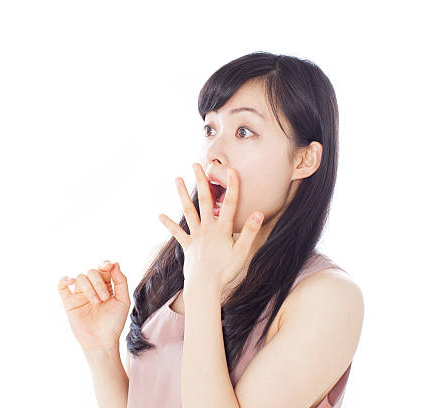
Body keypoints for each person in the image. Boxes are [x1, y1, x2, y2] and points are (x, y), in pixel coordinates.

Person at [57, 51, 364, 408]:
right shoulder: (178, 262)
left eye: (244, 131)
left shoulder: (328, 297)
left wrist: (203, 288)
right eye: (210, 129)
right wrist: (101, 351)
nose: (213, 153)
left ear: (303, 159)